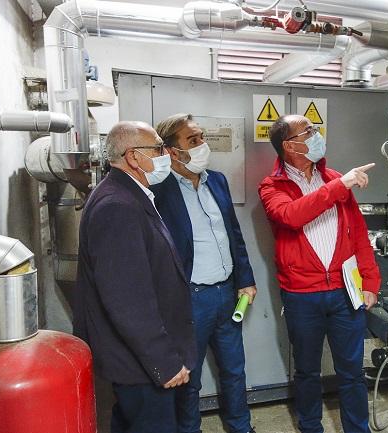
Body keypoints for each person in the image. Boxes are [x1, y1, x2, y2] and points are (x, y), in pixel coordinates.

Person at [258, 114, 381, 433]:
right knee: (308, 371)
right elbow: (292, 215)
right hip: (302, 296)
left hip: (345, 292)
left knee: (352, 371)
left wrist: (370, 281)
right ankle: (311, 426)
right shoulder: (272, 187)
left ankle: (358, 429)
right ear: (289, 145)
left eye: (315, 129)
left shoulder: (334, 178)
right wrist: (341, 185)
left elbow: (358, 233)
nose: (316, 135)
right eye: (308, 131)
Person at [74, 121, 197, 433]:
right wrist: (164, 362)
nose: (165, 154)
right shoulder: (117, 205)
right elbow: (128, 300)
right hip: (140, 366)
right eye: (156, 149)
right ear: (133, 157)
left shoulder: (129, 194)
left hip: (139, 362)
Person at [151, 113, 257, 433]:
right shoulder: (159, 190)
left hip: (227, 294)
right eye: (193, 140)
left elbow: (233, 234)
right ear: (171, 150)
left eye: (202, 138)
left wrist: (246, 279)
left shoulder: (218, 180)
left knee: (234, 371)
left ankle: (241, 427)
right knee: (190, 377)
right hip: (190, 299)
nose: (202, 145)